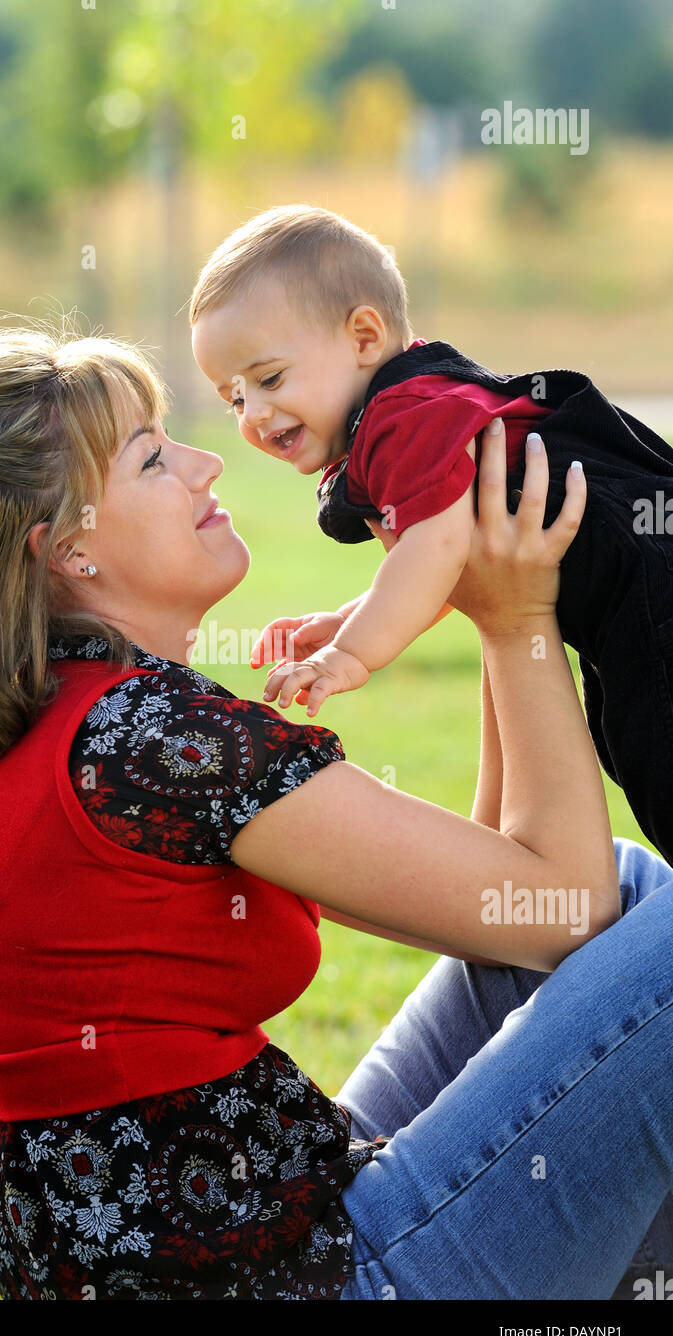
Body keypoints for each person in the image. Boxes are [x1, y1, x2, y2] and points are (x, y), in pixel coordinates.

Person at [0, 323, 673, 1301]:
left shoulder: (95, 724)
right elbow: (561, 908)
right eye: (154, 457)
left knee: (632, 892)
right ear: (68, 548)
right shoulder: (155, 741)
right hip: (322, 1282)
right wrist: (517, 622)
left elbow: (514, 907)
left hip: (289, 1220)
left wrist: (474, 589)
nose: (208, 462)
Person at [189, 204, 673, 867]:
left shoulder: (400, 420)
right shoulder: (415, 403)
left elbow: (435, 551)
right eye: (234, 397)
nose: (254, 414)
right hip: (632, 594)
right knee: (633, 746)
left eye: (269, 378)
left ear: (364, 337)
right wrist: (346, 617)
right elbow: (446, 559)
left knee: (655, 751)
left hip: (650, 587)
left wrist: (350, 655)